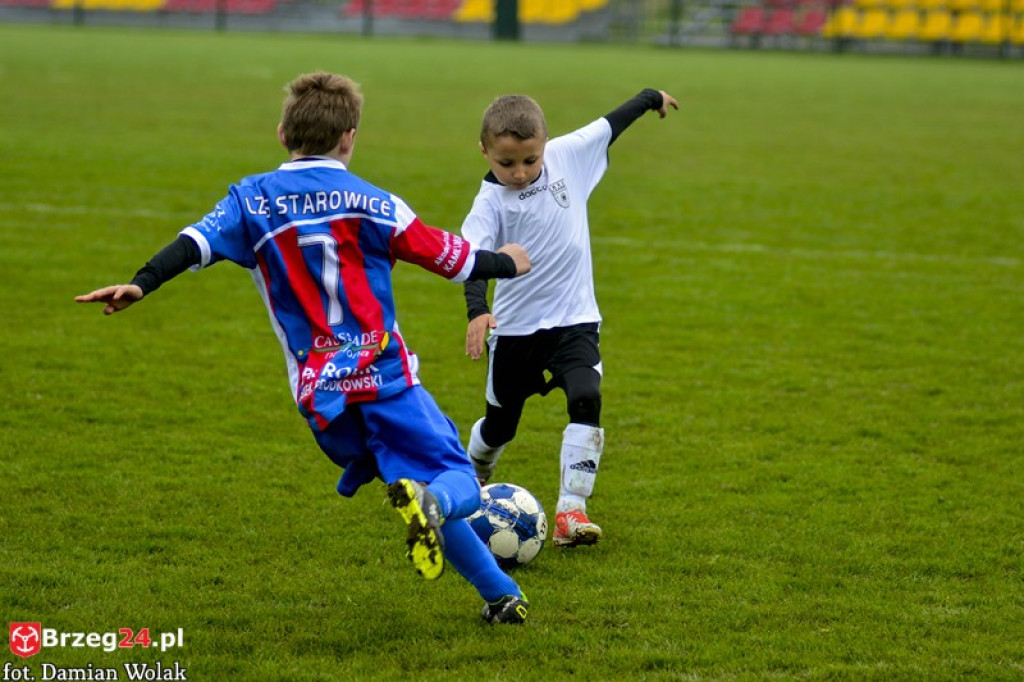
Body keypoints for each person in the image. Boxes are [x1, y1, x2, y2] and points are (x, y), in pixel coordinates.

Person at [76, 71, 533, 625]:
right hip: (385, 378)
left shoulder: (251, 199)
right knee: (452, 476)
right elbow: (454, 259)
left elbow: (192, 244)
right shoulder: (377, 203)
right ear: (350, 137)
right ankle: (434, 505)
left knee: (411, 478)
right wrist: (508, 261)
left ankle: (501, 595)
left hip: (321, 398)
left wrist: (141, 282)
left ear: (281, 133)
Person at [461, 88, 679, 548]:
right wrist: (478, 311)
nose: (519, 172)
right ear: (484, 151)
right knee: (501, 428)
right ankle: (471, 482)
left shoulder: (567, 155)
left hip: (576, 320)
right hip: (516, 331)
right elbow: (472, 258)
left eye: (529, 160)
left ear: (544, 142)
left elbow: (611, 123)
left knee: (587, 396)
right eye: (507, 163)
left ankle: (570, 512)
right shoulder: (490, 203)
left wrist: (651, 98)